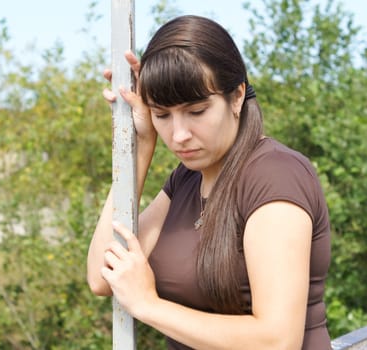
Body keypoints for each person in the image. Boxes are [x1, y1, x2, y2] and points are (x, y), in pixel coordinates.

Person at [86, 15, 331, 350]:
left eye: (197, 111)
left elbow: (278, 340)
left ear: (236, 97)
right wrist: (140, 147)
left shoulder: (275, 176)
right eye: (162, 115)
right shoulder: (187, 179)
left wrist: (149, 305)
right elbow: (103, 276)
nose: (179, 135)